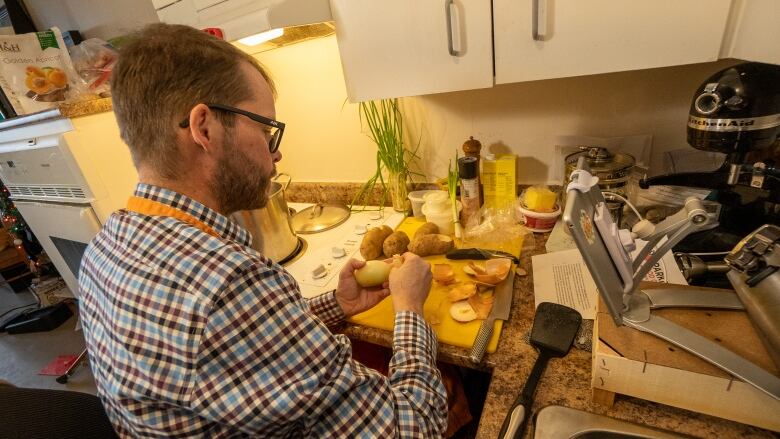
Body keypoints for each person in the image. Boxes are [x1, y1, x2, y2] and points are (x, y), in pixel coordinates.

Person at [78, 23, 448, 438]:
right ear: (204, 128)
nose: (277, 151)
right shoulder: (225, 283)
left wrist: (337, 305)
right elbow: (411, 430)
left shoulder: (104, 247)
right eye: (266, 129)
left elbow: (236, 351)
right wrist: (410, 310)